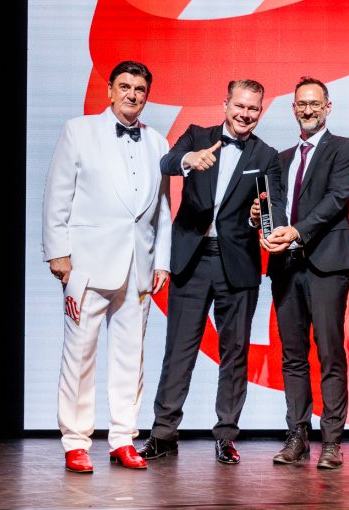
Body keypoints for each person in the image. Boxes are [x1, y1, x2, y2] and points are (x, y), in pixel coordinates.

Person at [139, 79, 281, 465]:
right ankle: (163, 433)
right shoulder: (197, 136)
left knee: (234, 353)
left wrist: (260, 221)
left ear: (260, 111)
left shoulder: (266, 155)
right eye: (240, 106)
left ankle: (226, 436)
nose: (245, 114)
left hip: (238, 264)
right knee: (179, 350)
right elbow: (166, 163)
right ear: (226, 104)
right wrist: (189, 160)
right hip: (193, 257)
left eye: (253, 109)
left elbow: (272, 209)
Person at [42, 61, 172, 473]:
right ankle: (75, 440)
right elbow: (57, 195)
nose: (133, 94)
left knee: (130, 357)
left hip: (139, 267)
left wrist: (162, 261)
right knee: (79, 355)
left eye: (140, 89)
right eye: (125, 86)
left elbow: (163, 210)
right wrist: (58, 254)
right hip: (88, 263)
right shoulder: (79, 131)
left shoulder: (159, 142)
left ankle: (122, 438)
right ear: (110, 91)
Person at [255, 76, 349, 469]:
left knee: (330, 353)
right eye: (302, 103)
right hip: (285, 266)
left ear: (328, 107)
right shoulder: (279, 160)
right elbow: (275, 209)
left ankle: (332, 440)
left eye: (316, 103)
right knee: (293, 356)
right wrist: (263, 224)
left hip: (327, 265)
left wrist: (296, 232)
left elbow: (336, 200)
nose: (309, 109)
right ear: (294, 109)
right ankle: (297, 435)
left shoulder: (346, 149)